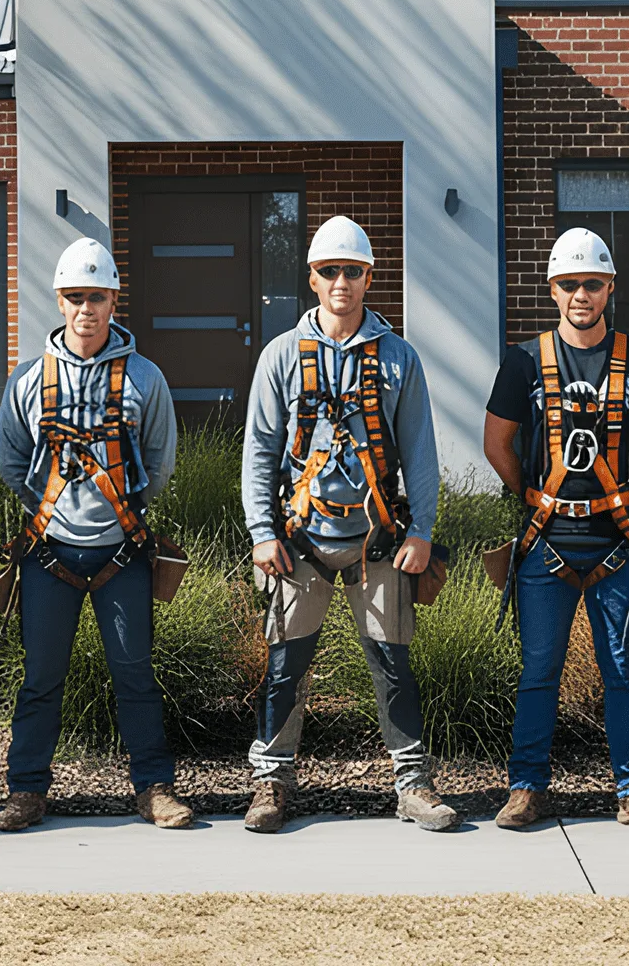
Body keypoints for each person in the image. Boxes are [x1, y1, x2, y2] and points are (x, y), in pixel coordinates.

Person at [239, 215, 457, 833]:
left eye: (352, 271)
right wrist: (262, 531)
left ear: (368, 277)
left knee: (393, 663)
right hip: (299, 541)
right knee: (286, 665)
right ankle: (272, 784)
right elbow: (258, 450)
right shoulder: (281, 356)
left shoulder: (398, 359)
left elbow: (420, 453)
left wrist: (421, 531)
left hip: (378, 542)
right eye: (330, 270)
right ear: (312, 278)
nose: (342, 281)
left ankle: (413, 785)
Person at [482, 227, 629, 833]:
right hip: (546, 544)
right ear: (552, 289)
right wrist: (530, 494)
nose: (580, 294)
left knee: (622, 669)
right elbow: (497, 442)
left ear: (609, 288)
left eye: (591, 284)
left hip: (616, 544)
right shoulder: (522, 360)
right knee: (538, 668)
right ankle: (525, 790)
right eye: (569, 284)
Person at [0, 239, 194, 832]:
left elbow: (159, 462)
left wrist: (121, 515)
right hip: (48, 554)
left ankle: (154, 789)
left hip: (122, 554)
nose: (86, 309)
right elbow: (10, 460)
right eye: (75, 298)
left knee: (134, 674)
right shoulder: (28, 380)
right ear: (59, 301)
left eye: (97, 297)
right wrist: (48, 511)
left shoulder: (144, 379)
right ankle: (27, 791)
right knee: (40, 678)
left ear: (113, 300)